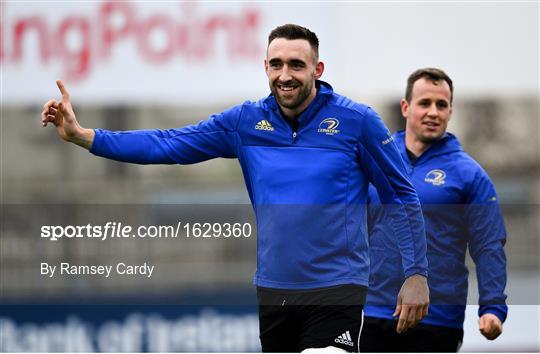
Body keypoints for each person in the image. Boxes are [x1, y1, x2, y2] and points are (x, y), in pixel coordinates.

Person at [42, 24, 429, 353]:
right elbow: (168, 143)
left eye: (297, 64)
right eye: (276, 64)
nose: (285, 74)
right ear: (265, 67)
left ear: (318, 68)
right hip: (273, 290)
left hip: (337, 288)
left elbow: (401, 194)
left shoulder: (357, 121)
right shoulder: (245, 122)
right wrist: (85, 137)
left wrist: (415, 274)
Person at [361, 68, 508, 352]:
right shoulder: (374, 162)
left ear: (450, 111)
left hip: (437, 321)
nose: (433, 112)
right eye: (424, 103)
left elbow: (488, 244)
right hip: (373, 314)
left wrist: (492, 308)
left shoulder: (469, 175)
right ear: (406, 107)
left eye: (441, 105)